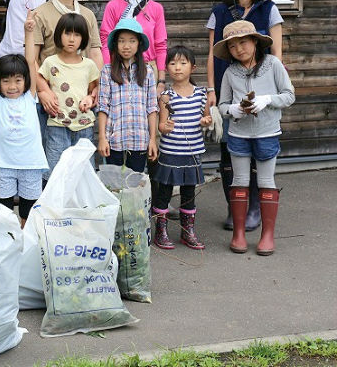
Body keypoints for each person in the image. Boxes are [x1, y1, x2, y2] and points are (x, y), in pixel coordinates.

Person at [207, 0, 284, 232]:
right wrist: (211, 90)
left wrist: (272, 95)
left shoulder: (269, 9)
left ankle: (254, 209)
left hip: (262, 93)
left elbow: (276, 52)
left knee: (258, 150)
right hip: (229, 88)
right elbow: (211, 54)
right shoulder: (219, 11)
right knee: (230, 148)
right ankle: (234, 207)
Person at [215, 20, 294, 255]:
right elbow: (222, 105)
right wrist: (233, 110)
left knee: (265, 182)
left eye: (243, 42)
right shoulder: (230, 72)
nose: (239, 49)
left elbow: (289, 95)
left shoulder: (273, 64)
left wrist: (267, 99)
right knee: (239, 181)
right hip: (238, 133)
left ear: (255, 42)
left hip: (267, 132)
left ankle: (267, 236)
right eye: (232, 46)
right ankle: (238, 234)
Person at [0, 10, 48, 227]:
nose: (12, 86)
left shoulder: (30, 97)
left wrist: (28, 32)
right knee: (2, 209)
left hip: (30, 163)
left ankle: (25, 238)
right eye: (6, 81)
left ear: (25, 81)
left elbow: (31, 61)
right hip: (3, 163)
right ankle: (7, 240)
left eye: (18, 80)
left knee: (29, 208)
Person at [33, 0, 103, 142]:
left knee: (81, 157)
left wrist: (97, 87)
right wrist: (43, 91)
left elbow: (95, 53)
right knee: (55, 158)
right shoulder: (40, 13)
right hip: (52, 101)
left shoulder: (87, 15)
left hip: (81, 99)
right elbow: (31, 58)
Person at [153, 46, 212, 250]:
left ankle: (188, 232)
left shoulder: (201, 94)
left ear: (193, 68)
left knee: (189, 192)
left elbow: (207, 118)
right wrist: (165, 127)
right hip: (170, 152)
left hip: (193, 152)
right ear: (167, 68)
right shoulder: (166, 97)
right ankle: (160, 232)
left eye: (183, 63)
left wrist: (206, 121)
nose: (177, 68)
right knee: (165, 192)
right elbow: (161, 125)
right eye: (172, 63)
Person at [38, 13, 100, 180]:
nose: (71, 39)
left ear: (84, 38)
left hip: (84, 126)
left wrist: (89, 98)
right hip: (57, 125)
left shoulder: (89, 65)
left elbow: (95, 90)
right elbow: (38, 79)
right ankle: (54, 206)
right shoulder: (50, 62)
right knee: (55, 172)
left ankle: (82, 206)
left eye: (77, 34)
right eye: (67, 33)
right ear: (59, 34)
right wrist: (43, 92)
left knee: (84, 171)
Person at [97, 18, 158, 173]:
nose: (126, 46)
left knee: (135, 188)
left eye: (132, 41)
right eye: (122, 41)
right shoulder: (107, 71)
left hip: (140, 142)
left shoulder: (148, 72)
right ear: (115, 45)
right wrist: (102, 138)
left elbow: (151, 108)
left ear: (139, 44)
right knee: (115, 188)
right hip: (115, 142)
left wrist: (152, 139)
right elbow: (103, 107)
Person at [99, 0, 167, 86]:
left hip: (149, 70)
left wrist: (161, 80)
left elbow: (160, 45)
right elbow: (106, 42)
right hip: (118, 69)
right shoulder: (113, 6)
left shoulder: (156, 8)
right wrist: (108, 71)